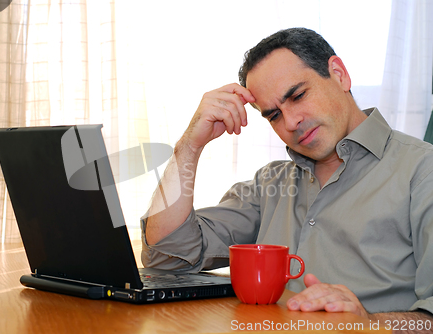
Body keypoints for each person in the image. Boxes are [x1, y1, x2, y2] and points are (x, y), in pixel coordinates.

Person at [141, 28, 433, 326]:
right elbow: (167, 256)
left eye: (298, 95)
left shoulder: (423, 171)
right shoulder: (269, 185)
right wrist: (189, 145)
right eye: (274, 115)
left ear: (339, 74)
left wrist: (370, 323)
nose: (291, 122)